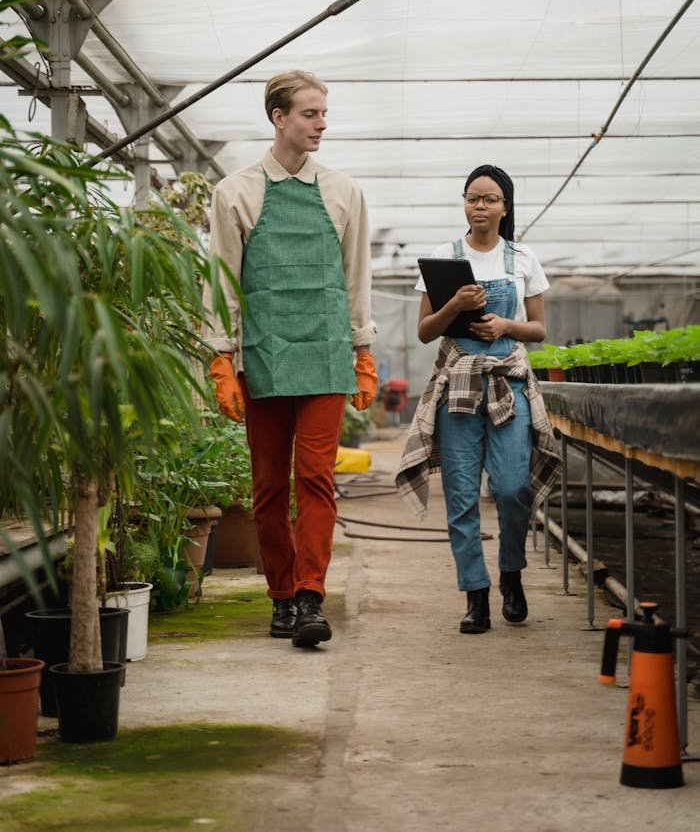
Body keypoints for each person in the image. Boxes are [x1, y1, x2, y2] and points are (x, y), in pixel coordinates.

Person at [204, 70, 378, 648]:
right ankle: (280, 596)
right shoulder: (236, 192)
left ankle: (309, 596)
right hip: (265, 355)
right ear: (278, 118)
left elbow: (356, 277)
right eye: (310, 114)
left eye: (324, 113)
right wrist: (220, 357)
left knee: (316, 480)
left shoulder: (344, 191)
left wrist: (363, 348)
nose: (322, 124)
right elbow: (223, 282)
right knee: (268, 488)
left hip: (327, 353)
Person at [395, 164, 561, 634]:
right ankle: (475, 595)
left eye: (490, 199)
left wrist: (506, 327)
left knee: (512, 488)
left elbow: (540, 330)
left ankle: (511, 574)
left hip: (507, 381)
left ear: (505, 206)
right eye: (473, 198)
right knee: (462, 496)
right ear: (464, 204)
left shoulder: (522, 258)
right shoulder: (442, 259)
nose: (480, 207)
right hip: (459, 388)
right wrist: (456, 307)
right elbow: (426, 331)